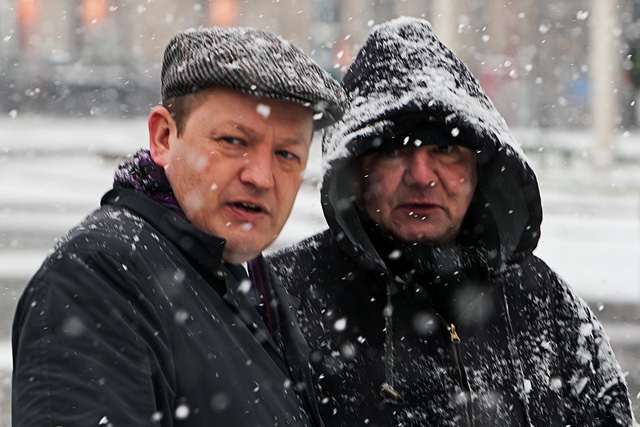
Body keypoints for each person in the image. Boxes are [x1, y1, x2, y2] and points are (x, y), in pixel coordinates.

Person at [268, 17, 637, 427]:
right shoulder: (285, 299)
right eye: (393, 152)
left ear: (479, 170)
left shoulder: (544, 302)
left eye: (444, 149)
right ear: (356, 172)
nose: (422, 176)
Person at [12, 26, 346, 426]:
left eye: (287, 154)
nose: (261, 176)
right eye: (234, 141)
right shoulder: (97, 278)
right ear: (164, 137)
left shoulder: (247, 277)